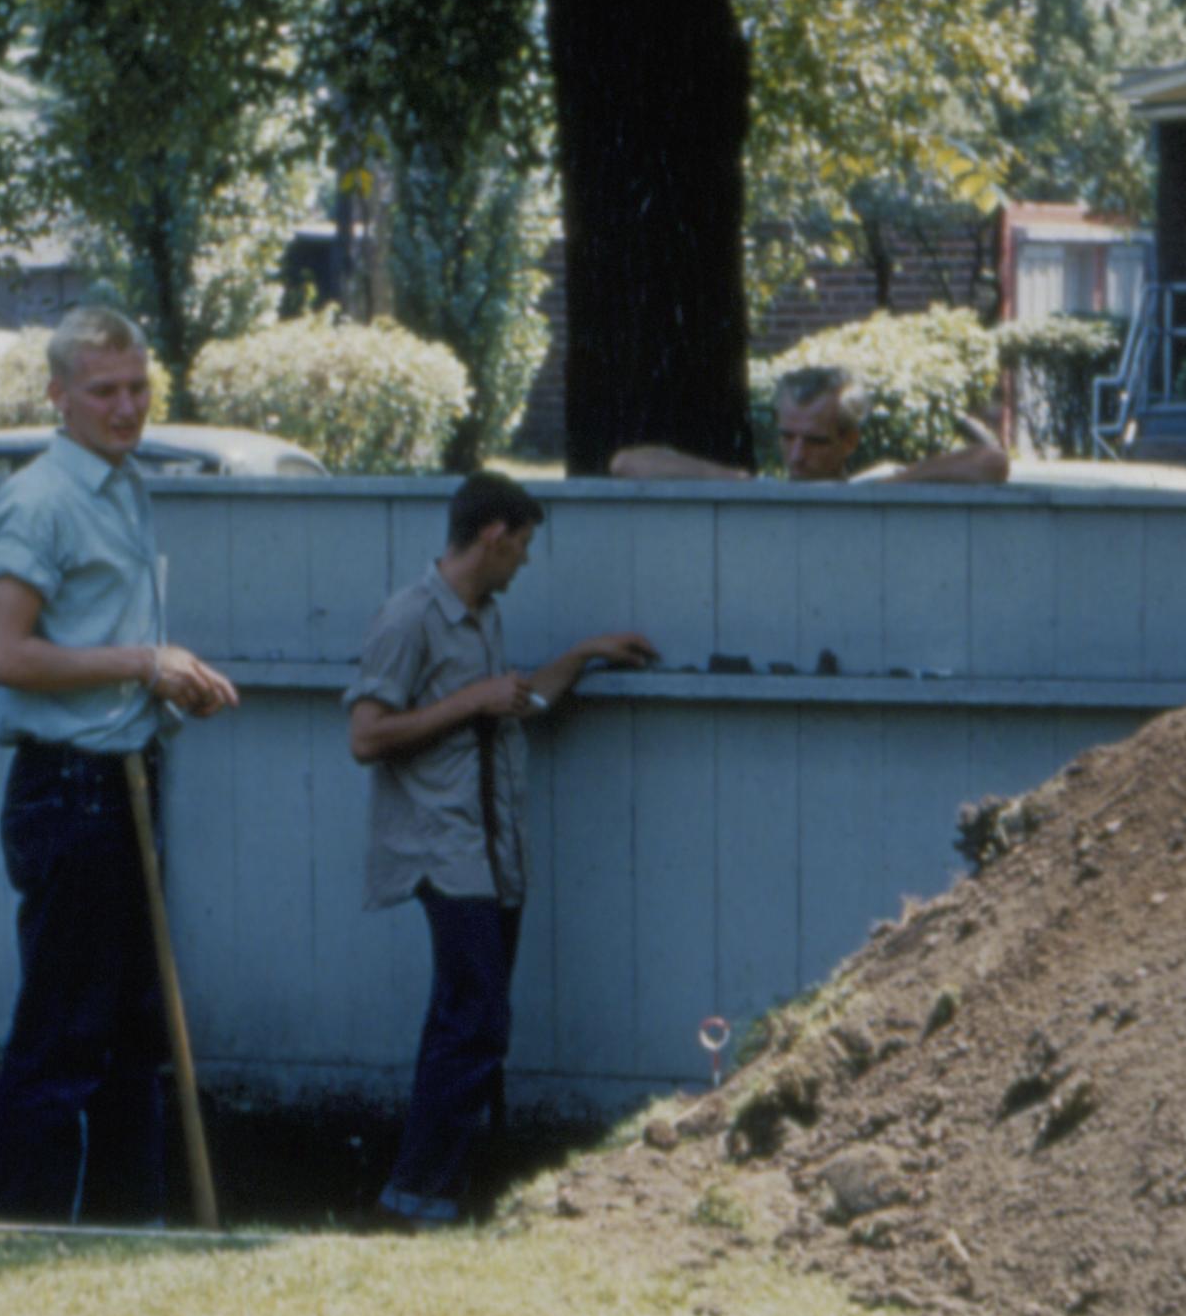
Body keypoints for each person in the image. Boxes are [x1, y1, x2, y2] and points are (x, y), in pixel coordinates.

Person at [0, 305, 240, 1223]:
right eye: (104, 392)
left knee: (135, 1033)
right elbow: (4, 654)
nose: (127, 408)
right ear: (58, 395)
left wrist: (163, 683)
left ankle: (134, 1243)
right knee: (63, 1038)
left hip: (129, 781)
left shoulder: (123, 485)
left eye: (138, 388)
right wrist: (140, 665)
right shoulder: (41, 499)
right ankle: (26, 1245)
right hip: (69, 794)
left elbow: (97, 641)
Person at [346, 472, 659, 1226]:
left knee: (471, 1022)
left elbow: (516, 705)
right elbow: (365, 735)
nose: (523, 562)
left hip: (492, 853)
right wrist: (469, 702)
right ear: (492, 537)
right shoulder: (409, 617)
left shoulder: (482, 615)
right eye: (520, 546)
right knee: (474, 1023)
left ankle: (436, 1193)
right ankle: (417, 1199)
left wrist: (584, 653)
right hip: (442, 851)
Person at [608, 363, 1014, 484]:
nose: (797, 456)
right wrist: (733, 481)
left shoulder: (873, 487)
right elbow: (626, 464)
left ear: (849, 441)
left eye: (815, 441)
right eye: (787, 437)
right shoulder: (757, 490)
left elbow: (992, 463)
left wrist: (892, 486)